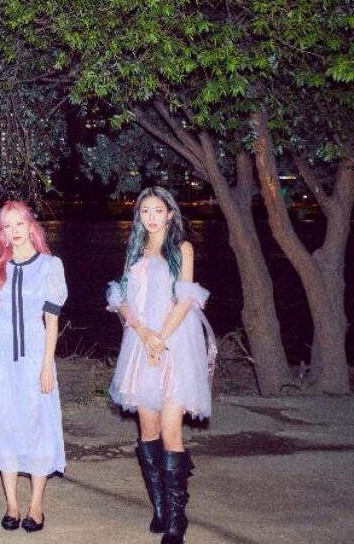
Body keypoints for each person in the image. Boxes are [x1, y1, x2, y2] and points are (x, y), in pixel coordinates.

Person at [106, 186, 216, 544]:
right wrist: (143, 332)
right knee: (148, 431)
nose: (151, 217)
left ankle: (176, 518)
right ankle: (159, 507)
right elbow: (121, 299)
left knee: (171, 432)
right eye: (145, 211)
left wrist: (161, 339)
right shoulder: (135, 250)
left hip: (175, 344)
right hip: (140, 344)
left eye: (158, 210)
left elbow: (185, 299)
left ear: (170, 213)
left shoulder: (182, 248)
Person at [0, 201, 67, 533]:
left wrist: (47, 366)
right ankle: (12, 504)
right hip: (1, 356)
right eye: (7, 226)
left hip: (35, 354)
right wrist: (8, 322)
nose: (13, 231)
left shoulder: (49, 266)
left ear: (31, 226)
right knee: (6, 425)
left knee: (38, 425)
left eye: (19, 224)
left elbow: (51, 322)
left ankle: (36, 505)